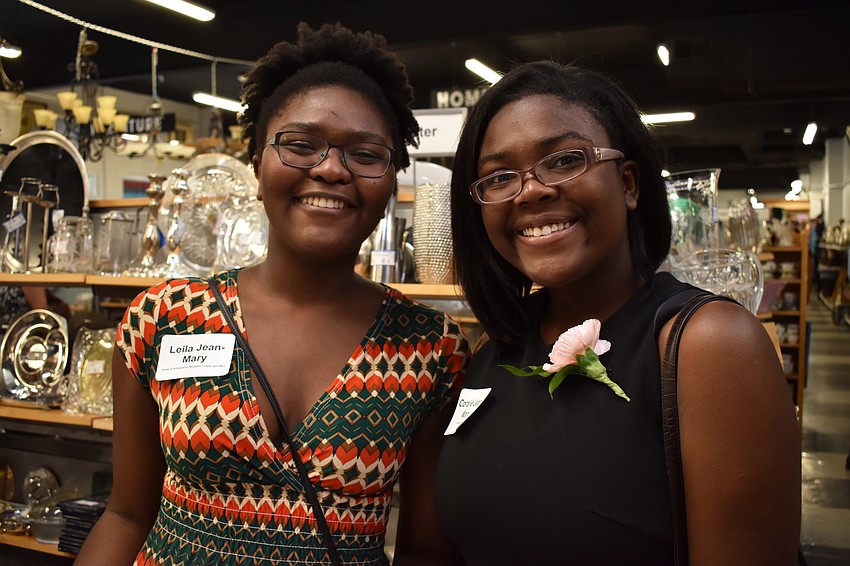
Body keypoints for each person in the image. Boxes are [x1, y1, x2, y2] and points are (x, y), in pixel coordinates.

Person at [76, 22, 469, 565]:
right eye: (301, 145)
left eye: (366, 154)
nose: (332, 168)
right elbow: (126, 514)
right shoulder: (163, 318)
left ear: (391, 183)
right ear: (257, 166)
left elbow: (425, 546)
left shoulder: (431, 348)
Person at [434, 60, 801, 564]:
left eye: (564, 160)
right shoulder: (496, 346)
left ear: (629, 184)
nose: (532, 189)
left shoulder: (710, 345)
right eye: (499, 177)